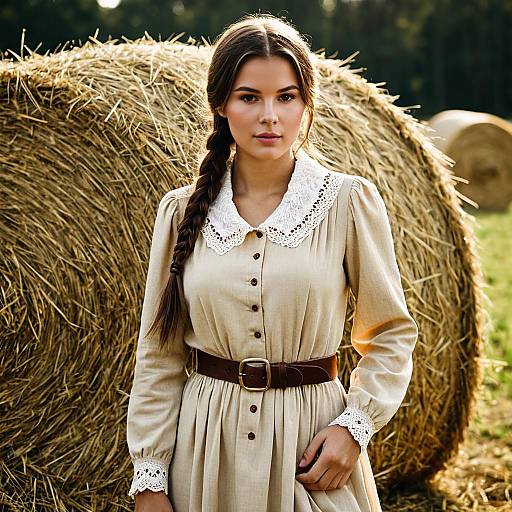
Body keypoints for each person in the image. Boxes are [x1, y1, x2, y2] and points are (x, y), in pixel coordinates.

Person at [126, 13, 419, 512]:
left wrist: (354, 429)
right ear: (220, 105)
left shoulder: (347, 203)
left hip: (311, 449)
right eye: (249, 97)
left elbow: (390, 334)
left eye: (286, 97)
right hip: (205, 448)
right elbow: (159, 355)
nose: (270, 115)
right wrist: (151, 477)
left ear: (307, 105)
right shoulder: (180, 213)